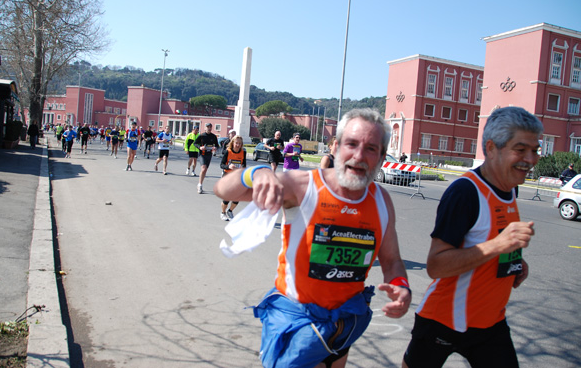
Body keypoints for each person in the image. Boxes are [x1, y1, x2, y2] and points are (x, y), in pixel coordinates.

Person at [214, 108, 411, 368]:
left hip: (343, 323)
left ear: (383, 157)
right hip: (297, 322)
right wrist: (259, 173)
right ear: (337, 147)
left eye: (371, 149)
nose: (359, 156)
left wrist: (401, 285)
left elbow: (392, 260)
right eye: (351, 144)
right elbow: (223, 189)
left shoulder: (382, 201)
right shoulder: (303, 186)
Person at [402, 106, 543, 368]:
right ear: (491, 148)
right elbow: (436, 265)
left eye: (535, 150)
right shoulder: (465, 192)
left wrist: (513, 263)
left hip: (490, 323)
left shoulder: (510, 188)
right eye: (520, 149)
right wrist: (498, 245)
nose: (531, 159)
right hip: (443, 320)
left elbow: (489, 242)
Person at [219, 135, 247, 221]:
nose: (238, 145)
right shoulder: (228, 152)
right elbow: (221, 165)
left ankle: (230, 211)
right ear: (233, 143)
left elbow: (244, 164)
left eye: (239, 143)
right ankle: (223, 213)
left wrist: (242, 168)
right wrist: (228, 166)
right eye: (236, 143)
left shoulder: (243, 152)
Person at [193, 122, 219, 194]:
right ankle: (200, 185)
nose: (209, 128)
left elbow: (217, 145)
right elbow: (195, 143)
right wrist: (200, 147)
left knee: (205, 170)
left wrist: (215, 148)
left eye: (210, 127)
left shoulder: (213, 136)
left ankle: (200, 183)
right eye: (208, 127)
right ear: (205, 128)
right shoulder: (201, 136)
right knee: (203, 168)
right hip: (202, 154)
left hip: (209, 154)